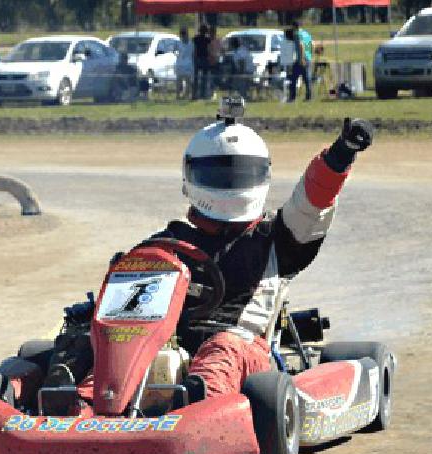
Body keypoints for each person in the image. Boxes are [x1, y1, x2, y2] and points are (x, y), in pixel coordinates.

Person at [41, 101, 376, 411]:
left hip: (243, 350)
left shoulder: (276, 240)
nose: (229, 184)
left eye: (239, 175)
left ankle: (202, 406)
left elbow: (310, 205)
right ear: (192, 176)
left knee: (223, 350)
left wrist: (339, 156)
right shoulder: (167, 243)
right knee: (123, 350)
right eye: (218, 174)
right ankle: (83, 407)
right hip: (170, 344)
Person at [290, 20, 313, 102]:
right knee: (307, 79)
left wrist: (301, 59)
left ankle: (292, 98)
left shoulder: (297, 34)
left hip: (301, 59)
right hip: (308, 58)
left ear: (294, 27)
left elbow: (301, 45)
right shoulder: (306, 34)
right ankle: (309, 97)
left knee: (293, 79)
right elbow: (311, 45)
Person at [192, 25, 212, 100]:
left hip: (197, 58)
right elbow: (209, 49)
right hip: (204, 58)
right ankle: (203, 94)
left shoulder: (195, 39)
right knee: (204, 77)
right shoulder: (207, 39)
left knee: (196, 78)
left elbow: (194, 50)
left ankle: (194, 94)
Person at [175, 26, 195, 100]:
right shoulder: (179, 43)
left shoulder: (190, 43)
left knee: (187, 82)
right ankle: (179, 96)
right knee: (180, 82)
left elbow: (192, 53)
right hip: (181, 65)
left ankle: (185, 96)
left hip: (187, 65)